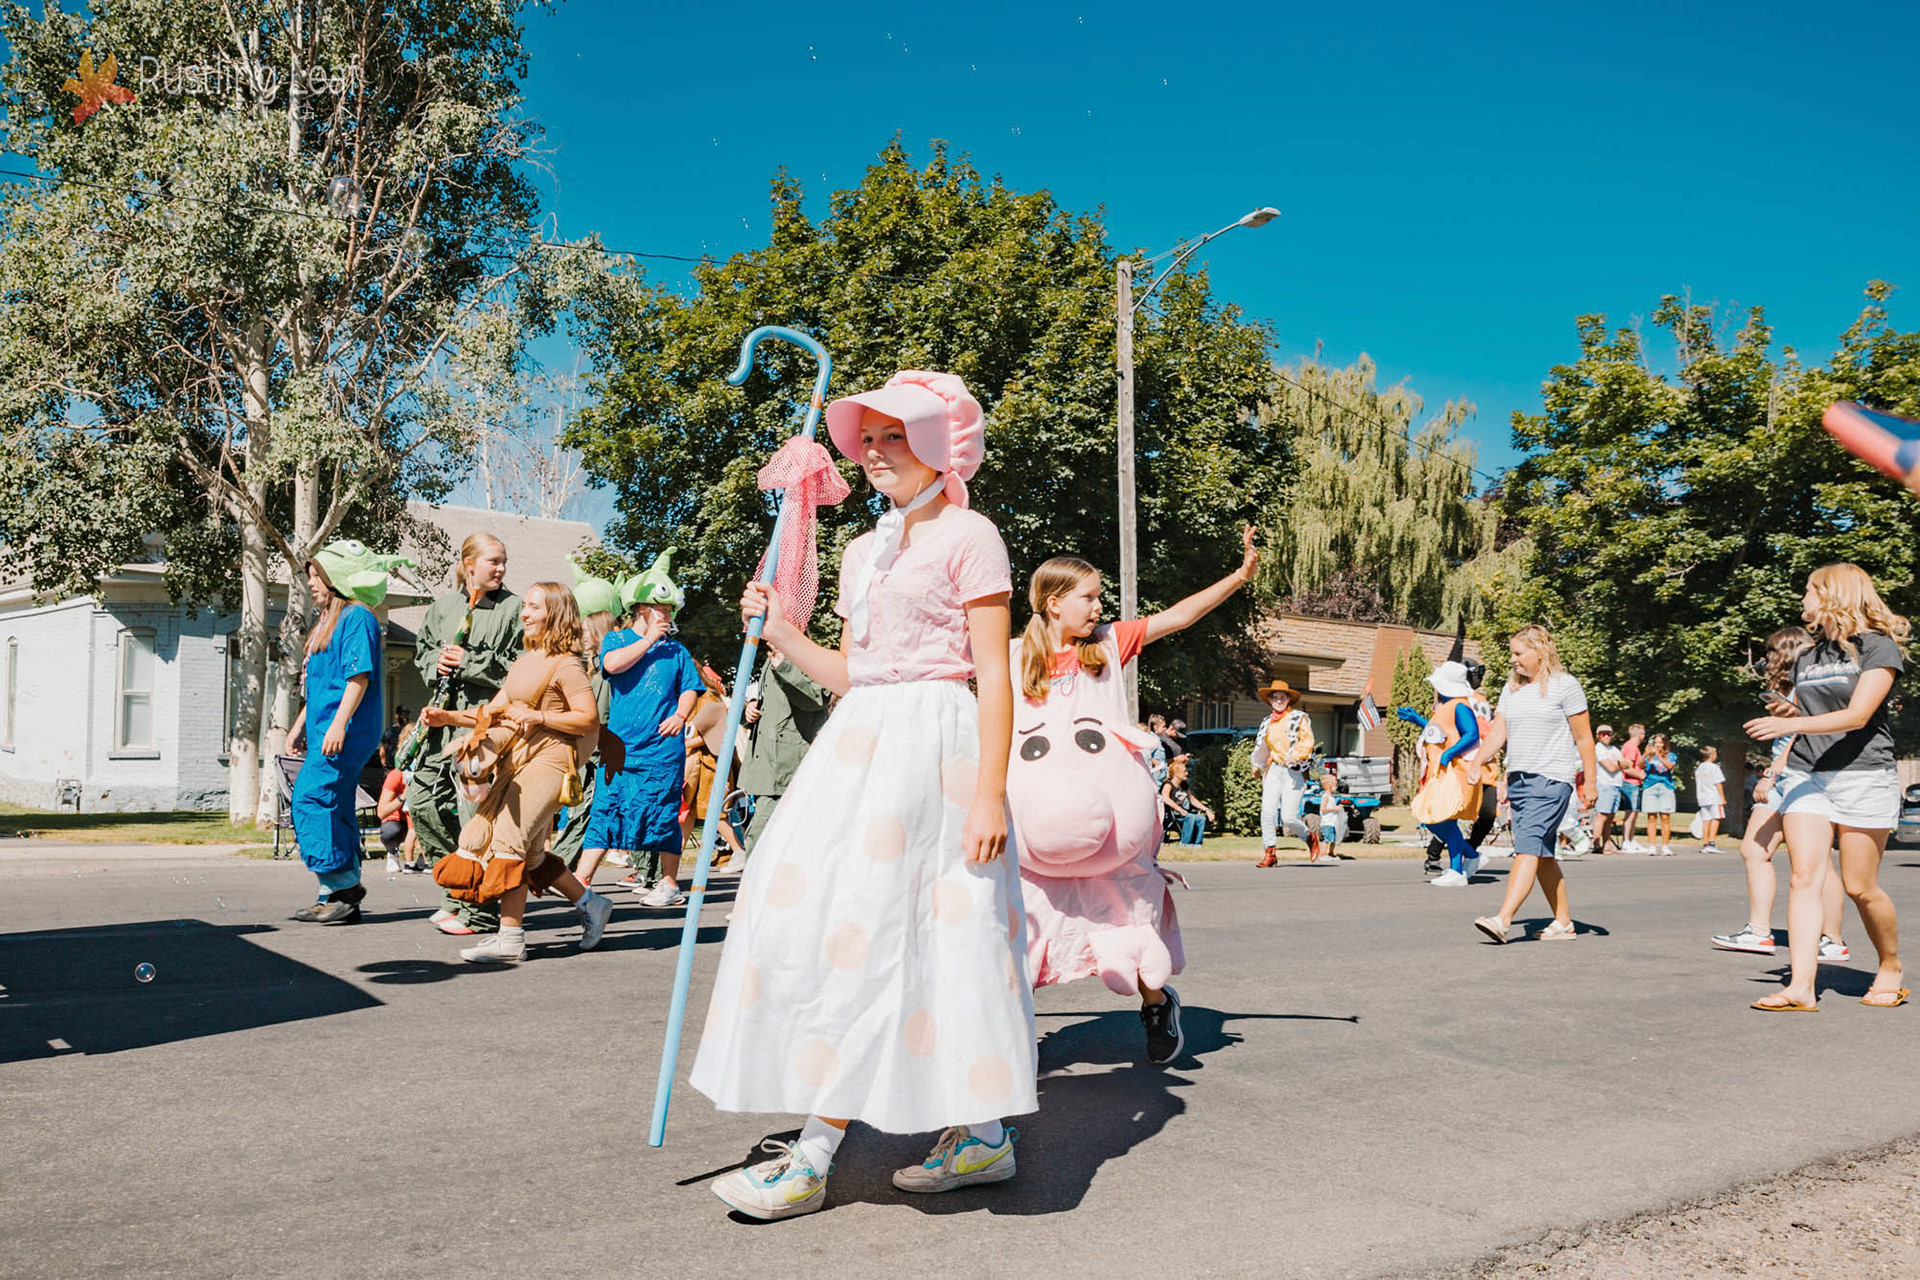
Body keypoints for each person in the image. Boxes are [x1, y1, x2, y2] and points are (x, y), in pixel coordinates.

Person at [693, 369, 1032, 1220]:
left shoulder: (973, 534)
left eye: (896, 436)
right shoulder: (862, 548)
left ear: (940, 446)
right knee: (831, 926)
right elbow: (852, 674)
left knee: (909, 933)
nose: (876, 452)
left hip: (941, 752)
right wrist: (779, 630)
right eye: (867, 438)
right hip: (860, 749)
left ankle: (815, 1154)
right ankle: (983, 1133)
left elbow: (994, 674)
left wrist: (991, 793)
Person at [1011, 530, 1256, 1062]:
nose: (1100, 605)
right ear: (1054, 604)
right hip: (1036, 823)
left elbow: (1179, 617)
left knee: (1126, 919)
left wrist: (1237, 578)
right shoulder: (1008, 660)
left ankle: (1154, 1002)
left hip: (1108, 820)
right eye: (1090, 597)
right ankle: (1011, 1035)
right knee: (1024, 930)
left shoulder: (1105, 646)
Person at [1745, 563, 1908, 1012]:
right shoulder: (1807, 656)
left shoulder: (1877, 648)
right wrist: (1782, 733)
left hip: (1862, 773)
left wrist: (1789, 719)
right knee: (1804, 877)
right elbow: (1805, 719)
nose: (1802, 601)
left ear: (1833, 594)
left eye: (1809, 592)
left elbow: (1857, 716)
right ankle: (1800, 987)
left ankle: (1890, 965)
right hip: (1806, 772)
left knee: (1859, 886)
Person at [423, 582, 612, 962]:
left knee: (509, 840)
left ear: (554, 614)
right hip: (521, 757)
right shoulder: (525, 663)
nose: (524, 613)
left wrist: (538, 715)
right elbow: (491, 712)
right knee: (531, 857)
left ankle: (510, 939)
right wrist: (448, 718)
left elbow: (589, 719)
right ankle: (591, 905)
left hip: (552, 759)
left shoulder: (567, 664)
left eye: (533, 607)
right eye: (524, 606)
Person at [286, 541, 412, 924]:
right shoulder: (327, 620)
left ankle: (344, 886)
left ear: (337, 577)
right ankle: (333, 896)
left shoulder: (358, 617)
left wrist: (339, 724)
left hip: (347, 727)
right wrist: (298, 728)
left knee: (312, 797)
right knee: (334, 803)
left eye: (317, 575)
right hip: (325, 724)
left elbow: (357, 678)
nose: (311, 582)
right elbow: (321, 685)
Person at [572, 551, 704, 907]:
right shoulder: (616, 640)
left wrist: (681, 715)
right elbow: (611, 666)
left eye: (671, 610)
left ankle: (669, 883)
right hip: (621, 749)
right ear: (642, 609)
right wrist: (647, 642)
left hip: (662, 749)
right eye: (661, 609)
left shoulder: (676, 651)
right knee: (606, 809)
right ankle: (581, 880)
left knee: (662, 813)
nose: (668, 615)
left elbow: (691, 687)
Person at [1711, 626, 1852, 959]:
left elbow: (1798, 737)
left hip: (1797, 776)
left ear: (1787, 652)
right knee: (1754, 848)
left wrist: (1770, 775)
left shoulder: (1809, 686)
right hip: (1782, 776)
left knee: (1818, 861)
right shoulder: (1790, 687)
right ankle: (1759, 931)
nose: (1767, 658)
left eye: (1772, 652)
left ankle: (1831, 939)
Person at [410, 534, 524, 937]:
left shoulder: (514, 609)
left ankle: (479, 912)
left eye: (504, 561)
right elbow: (421, 651)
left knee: (472, 817)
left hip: (482, 729)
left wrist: (472, 661)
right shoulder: (444, 607)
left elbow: (521, 669)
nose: (501, 569)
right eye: (494, 561)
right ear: (469, 563)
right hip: (440, 725)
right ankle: (456, 891)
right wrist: (435, 663)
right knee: (421, 803)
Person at [1470, 625, 1598, 943]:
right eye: (1511, 653)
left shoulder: (1565, 686)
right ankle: (1564, 922)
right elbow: (1499, 732)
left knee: (1527, 848)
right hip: (1520, 780)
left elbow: (1584, 738)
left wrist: (1591, 782)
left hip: (1552, 779)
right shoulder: (1511, 690)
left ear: (1540, 651)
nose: (1512, 659)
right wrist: (1477, 761)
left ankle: (1503, 919)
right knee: (1541, 853)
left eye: (1518, 653)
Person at [549, 561, 621, 883]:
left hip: (604, 750)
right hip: (590, 751)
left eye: (586, 631)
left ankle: (555, 871)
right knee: (587, 813)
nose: (583, 637)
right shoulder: (590, 666)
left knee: (589, 814)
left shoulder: (610, 666)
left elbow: (601, 713)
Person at [737, 645, 831, 857]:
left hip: (789, 765)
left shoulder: (808, 657)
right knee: (762, 837)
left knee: (770, 837)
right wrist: (749, 709)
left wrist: (785, 668)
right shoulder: (770, 659)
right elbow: (771, 706)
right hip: (767, 767)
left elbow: (816, 698)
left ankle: (761, 887)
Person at [1414, 661, 1484, 887]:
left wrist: (1449, 754)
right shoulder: (1446, 707)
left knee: (1441, 819)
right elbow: (1441, 733)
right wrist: (1417, 720)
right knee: (1433, 817)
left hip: (1453, 772)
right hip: (1439, 771)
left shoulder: (1460, 706)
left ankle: (1457, 869)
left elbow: (1472, 734)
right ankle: (1470, 856)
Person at [1253, 679, 1319, 866]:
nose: (1279, 700)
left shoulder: (1299, 718)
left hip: (1293, 771)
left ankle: (1310, 838)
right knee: (1267, 813)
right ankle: (1270, 853)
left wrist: (1296, 755)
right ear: (1271, 700)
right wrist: (1257, 766)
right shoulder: (1267, 722)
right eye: (1275, 697)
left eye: (1282, 697)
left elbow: (1307, 742)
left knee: (1288, 818)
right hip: (1274, 769)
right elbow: (1262, 746)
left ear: (1288, 699)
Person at [1161, 756, 1213, 847]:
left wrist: (1206, 810)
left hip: (1181, 813)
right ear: (1176, 773)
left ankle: (1197, 844)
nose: (1187, 773)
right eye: (1184, 771)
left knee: (1201, 818)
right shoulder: (1168, 785)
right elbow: (1165, 798)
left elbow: (1192, 799)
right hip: (1169, 814)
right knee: (1191, 817)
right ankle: (1184, 843)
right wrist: (1180, 809)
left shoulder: (1184, 785)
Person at [1641, 733, 1678, 855]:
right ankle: (1652, 846)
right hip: (1650, 787)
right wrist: (1646, 754)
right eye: (1655, 742)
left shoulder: (1671, 755)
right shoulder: (1649, 755)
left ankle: (1665, 846)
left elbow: (1669, 767)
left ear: (1665, 743)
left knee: (1665, 817)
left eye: (1660, 742)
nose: (1657, 745)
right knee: (1651, 817)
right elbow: (1640, 765)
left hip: (1665, 787)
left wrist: (1659, 755)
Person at [1592, 725, 1626, 854]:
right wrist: (1619, 764)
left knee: (1610, 816)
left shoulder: (1615, 750)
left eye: (1608, 734)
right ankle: (1596, 843)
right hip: (1604, 784)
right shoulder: (1598, 749)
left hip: (1616, 784)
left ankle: (1607, 843)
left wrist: (1618, 764)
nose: (1606, 736)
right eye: (1602, 734)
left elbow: (1626, 764)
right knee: (1602, 815)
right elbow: (1610, 768)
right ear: (1598, 736)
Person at [377, 761, 415, 874]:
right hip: (398, 820)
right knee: (391, 832)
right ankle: (393, 853)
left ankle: (424, 858)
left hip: (418, 817)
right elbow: (381, 813)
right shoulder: (396, 775)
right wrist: (403, 797)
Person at [1617, 724, 1648, 852]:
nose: (1644, 736)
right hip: (1630, 783)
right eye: (1644, 734)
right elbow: (1627, 767)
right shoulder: (1631, 747)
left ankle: (1631, 839)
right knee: (1631, 812)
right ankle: (1626, 841)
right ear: (1640, 735)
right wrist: (1640, 775)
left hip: (1633, 783)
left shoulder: (1632, 747)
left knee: (1634, 812)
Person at [1694, 746, 1727, 854]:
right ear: (1712, 755)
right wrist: (1722, 798)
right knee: (1716, 818)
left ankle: (1705, 842)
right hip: (1714, 797)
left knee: (1706, 820)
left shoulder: (1699, 768)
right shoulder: (1714, 767)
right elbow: (1718, 783)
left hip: (1703, 797)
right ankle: (1711, 842)